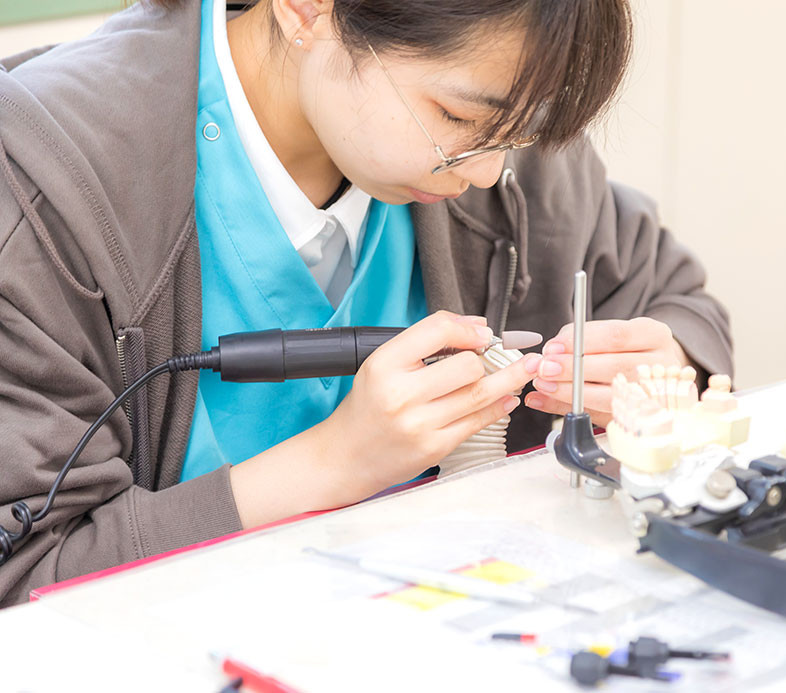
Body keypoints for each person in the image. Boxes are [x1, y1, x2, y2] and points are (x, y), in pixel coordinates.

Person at [0, 0, 732, 606]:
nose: (489, 172)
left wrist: (668, 365)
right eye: (455, 118)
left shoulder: (502, 123)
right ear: (306, 8)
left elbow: (675, 300)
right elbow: (25, 573)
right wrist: (333, 464)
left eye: (523, 131)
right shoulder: (43, 186)